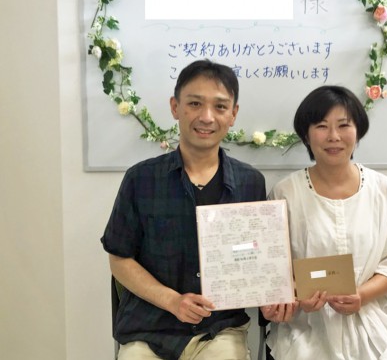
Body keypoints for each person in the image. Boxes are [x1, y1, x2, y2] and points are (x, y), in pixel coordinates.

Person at [101, 59, 266, 360]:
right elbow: (119, 258)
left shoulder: (250, 182)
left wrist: (275, 296)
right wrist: (172, 301)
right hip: (149, 328)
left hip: (219, 329)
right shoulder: (140, 178)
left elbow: (256, 259)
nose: (207, 117)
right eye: (194, 103)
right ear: (175, 107)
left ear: (233, 114)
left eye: (220, 106)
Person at [261, 85, 387, 360]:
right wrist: (298, 297)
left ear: (358, 130)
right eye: (321, 126)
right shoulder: (285, 193)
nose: (333, 136)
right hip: (305, 332)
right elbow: (274, 268)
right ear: (306, 135)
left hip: (374, 328)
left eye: (344, 125)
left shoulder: (384, 190)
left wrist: (361, 295)